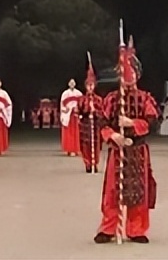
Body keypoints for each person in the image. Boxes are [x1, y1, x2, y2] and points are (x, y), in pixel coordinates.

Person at [93, 42, 159, 245]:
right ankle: (108, 227)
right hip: (118, 150)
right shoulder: (112, 99)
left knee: (138, 191)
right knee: (113, 191)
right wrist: (113, 136)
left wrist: (131, 123)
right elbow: (102, 122)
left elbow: (152, 121)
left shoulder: (145, 98)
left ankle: (136, 228)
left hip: (138, 150)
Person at [78, 62, 103, 173]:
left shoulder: (98, 99)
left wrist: (95, 111)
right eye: (88, 85)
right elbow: (78, 111)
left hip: (96, 125)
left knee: (96, 145)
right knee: (85, 145)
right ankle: (87, 163)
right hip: (85, 124)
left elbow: (102, 112)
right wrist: (86, 110)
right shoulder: (82, 99)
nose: (90, 87)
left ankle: (94, 162)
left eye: (92, 85)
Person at [60, 78, 83, 157]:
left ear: (75, 84)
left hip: (76, 115)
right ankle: (69, 149)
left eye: (73, 82)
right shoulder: (65, 93)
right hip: (68, 115)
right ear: (68, 84)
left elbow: (82, 103)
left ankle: (76, 149)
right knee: (68, 133)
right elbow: (62, 104)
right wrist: (65, 109)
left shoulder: (78, 93)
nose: (72, 84)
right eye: (71, 82)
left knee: (77, 132)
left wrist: (79, 109)